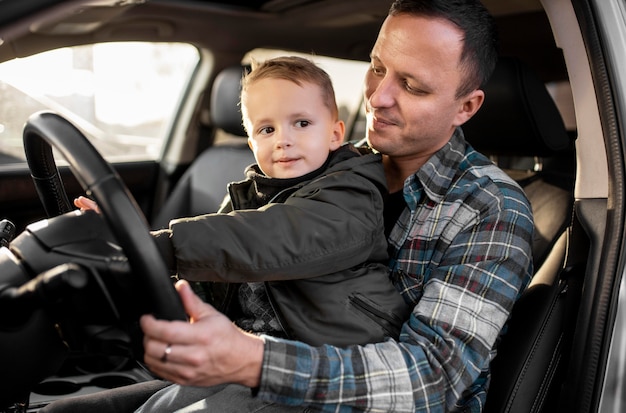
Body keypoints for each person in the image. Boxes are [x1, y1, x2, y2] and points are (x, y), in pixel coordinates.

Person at [43, 0, 534, 412]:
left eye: (412, 86)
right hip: (256, 372)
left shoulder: (491, 208)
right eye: (378, 67)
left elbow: (433, 381)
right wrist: (131, 250)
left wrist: (255, 362)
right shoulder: (322, 165)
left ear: (466, 106)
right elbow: (233, 264)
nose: (377, 97)